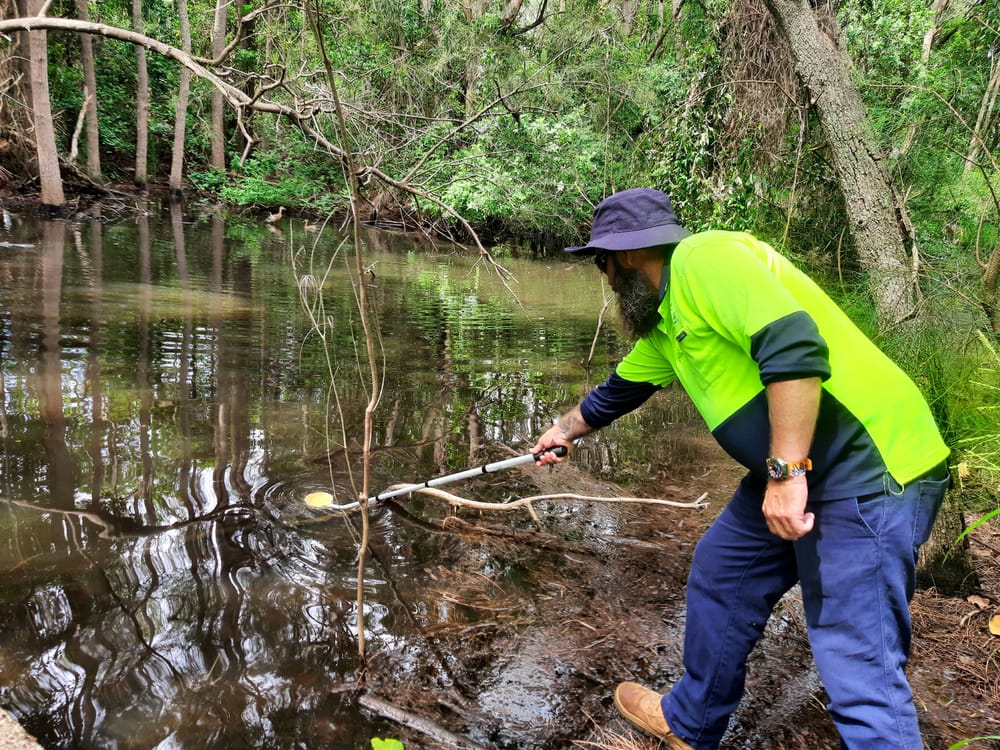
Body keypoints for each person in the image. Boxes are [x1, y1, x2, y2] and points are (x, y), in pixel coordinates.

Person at [532, 188, 950, 750]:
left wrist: (785, 473)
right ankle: (691, 722)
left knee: (859, 661)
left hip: (868, 470)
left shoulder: (706, 259)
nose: (604, 281)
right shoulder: (666, 324)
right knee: (724, 573)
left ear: (623, 257)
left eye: (601, 265)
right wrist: (561, 431)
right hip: (806, 468)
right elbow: (618, 392)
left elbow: (795, 348)